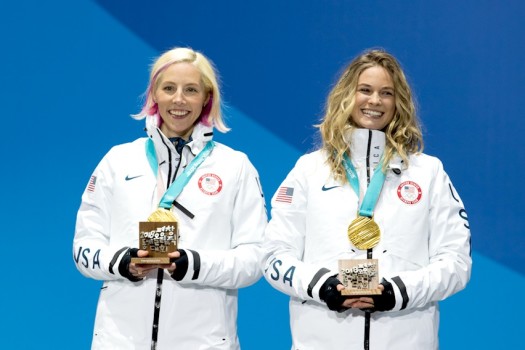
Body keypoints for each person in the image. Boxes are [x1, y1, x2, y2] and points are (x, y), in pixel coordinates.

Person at [262, 48, 471, 350]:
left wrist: (398, 291)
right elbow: (274, 256)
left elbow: (456, 262)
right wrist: (323, 286)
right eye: (365, 90)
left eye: (386, 93)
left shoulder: (429, 172)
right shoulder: (309, 170)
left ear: (398, 103)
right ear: (347, 95)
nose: (375, 101)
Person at [73, 47, 267, 350]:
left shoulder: (235, 167)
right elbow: (83, 248)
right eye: (169, 88)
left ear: (207, 98)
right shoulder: (117, 160)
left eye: (191, 90)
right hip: (119, 341)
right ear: (154, 95)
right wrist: (123, 263)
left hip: (203, 343)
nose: (179, 100)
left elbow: (255, 258)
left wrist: (194, 264)